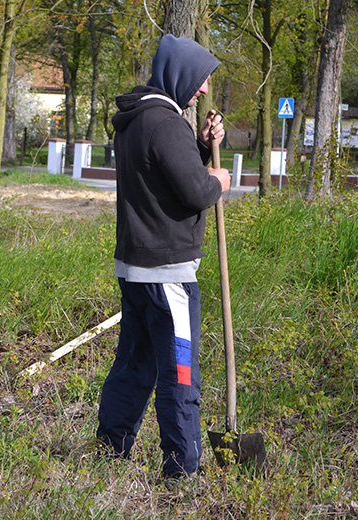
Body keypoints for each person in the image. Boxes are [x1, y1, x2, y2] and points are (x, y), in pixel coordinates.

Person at [96, 34, 231, 482]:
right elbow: (195, 191)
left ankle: (109, 450)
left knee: (134, 364)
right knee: (180, 375)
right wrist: (220, 181)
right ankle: (181, 471)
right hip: (167, 273)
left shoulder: (138, 117)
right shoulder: (165, 123)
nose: (204, 90)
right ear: (179, 74)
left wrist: (200, 143)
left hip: (135, 267)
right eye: (201, 80)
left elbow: (164, 174)